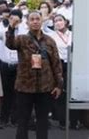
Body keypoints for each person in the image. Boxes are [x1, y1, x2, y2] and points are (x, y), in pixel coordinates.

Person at [6, 11, 63, 139]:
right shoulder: (21, 39)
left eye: (38, 19)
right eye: (32, 19)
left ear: (42, 21)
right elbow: (10, 44)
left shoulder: (49, 41)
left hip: (45, 87)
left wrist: (59, 85)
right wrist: (11, 28)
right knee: (23, 122)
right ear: (27, 22)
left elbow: (56, 63)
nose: (35, 21)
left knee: (42, 122)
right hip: (25, 87)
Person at [46, 14, 81, 129]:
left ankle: (74, 120)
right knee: (61, 92)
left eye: (60, 20)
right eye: (55, 21)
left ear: (66, 22)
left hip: (73, 64)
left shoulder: (73, 34)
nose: (58, 23)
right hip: (59, 65)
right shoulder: (51, 36)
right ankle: (62, 121)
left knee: (74, 93)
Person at [0, 9, 25, 127]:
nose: (13, 22)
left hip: (18, 65)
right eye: (11, 19)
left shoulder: (23, 33)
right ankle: (3, 118)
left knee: (17, 92)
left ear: (20, 20)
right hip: (5, 65)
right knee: (5, 93)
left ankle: (15, 118)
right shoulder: (3, 31)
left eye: (16, 20)